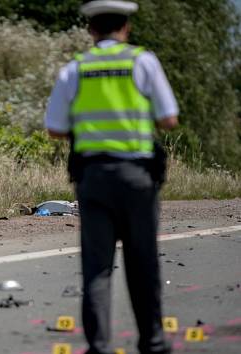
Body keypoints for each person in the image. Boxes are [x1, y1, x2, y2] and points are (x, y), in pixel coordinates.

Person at [44, 1, 179, 353]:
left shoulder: (76, 69)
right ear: (126, 27)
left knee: (97, 266)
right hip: (137, 177)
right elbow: (169, 118)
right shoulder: (142, 61)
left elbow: (55, 129)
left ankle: (99, 347)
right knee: (143, 262)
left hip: (93, 178)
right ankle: (152, 341)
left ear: (91, 30)